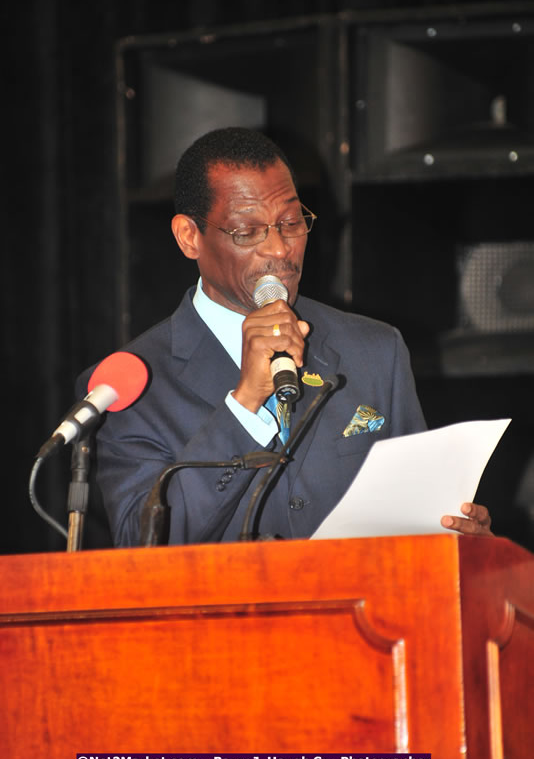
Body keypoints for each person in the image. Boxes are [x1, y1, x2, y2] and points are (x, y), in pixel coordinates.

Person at [78, 127, 492, 546]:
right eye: (247, 231)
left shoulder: (374, 351)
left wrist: (462, 540)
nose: (279, 248)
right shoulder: (129, 387)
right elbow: (145, 547)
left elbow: (417, 521)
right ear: (189, 237)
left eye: (291, 223)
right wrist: (244, 405)